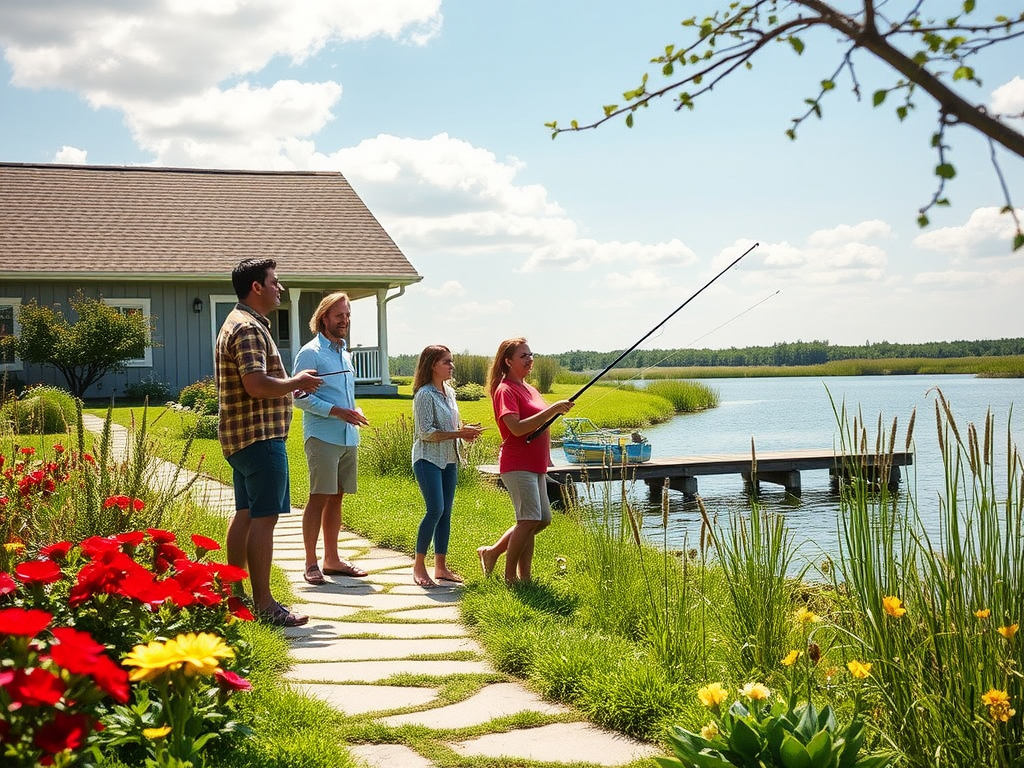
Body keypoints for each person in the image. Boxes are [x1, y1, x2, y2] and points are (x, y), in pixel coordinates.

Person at [216, 258, 322, 627]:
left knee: (245, 513)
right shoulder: (247, 329)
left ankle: (235, 596)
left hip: (241, 438)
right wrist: (298, 382)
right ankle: (264, 605)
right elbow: (256, 384)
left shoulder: (240, 322)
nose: (280, 287)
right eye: (275, 282)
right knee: (265, 518)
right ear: (256, 287)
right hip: (260, 437)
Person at [476, 337, 574, 584]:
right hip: (517, 463)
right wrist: (552, 410)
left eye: (531, 355)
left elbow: (541, 426)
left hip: (536, 463)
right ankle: (512, 579)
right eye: (523, 356)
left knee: (541, 520)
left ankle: (498, 557)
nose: (530, 359)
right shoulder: (505, 390)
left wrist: (547, 456)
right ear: (508, 361)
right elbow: (516, 429)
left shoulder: (529, 388)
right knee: (529, 520)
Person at [292, 291, 370, 586]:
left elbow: (343, 394)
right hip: (322, 436)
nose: (345, 320)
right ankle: (311, 562)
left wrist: (353, 411)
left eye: (348, 315)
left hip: (348, 436)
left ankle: (332, 559)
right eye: (339, 315)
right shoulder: (311, 352)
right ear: (323, 317)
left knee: (336, 497)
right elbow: (298, 398)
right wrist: (338, 412)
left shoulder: (344, 353)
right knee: (318, 497)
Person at [410, 345, 484, 588]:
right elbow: (426, 433)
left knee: (446, 513)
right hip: (427, 459)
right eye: (446, 362)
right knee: (435, 510)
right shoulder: (424, 394)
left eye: (451, 361)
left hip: (450, 459)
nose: (452, 366)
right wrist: (458, 432)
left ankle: (440, 567)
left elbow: (452, 425)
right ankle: (419, 566)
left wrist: (465, 430)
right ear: (433, 365)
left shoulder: (449, 392)